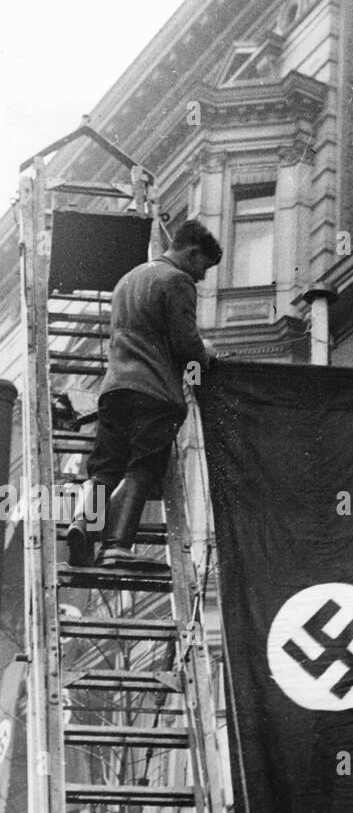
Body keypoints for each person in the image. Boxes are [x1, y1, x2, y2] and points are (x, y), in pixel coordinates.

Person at [67, 219, 223, 568]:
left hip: (115, 389)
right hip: (154, 393)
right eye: (203, 266)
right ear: (192, 252)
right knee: (143, 467)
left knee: (105, 467)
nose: (202, 276)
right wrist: (207, 355)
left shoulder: (128, 279)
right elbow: (187, 345)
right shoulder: (177, 281)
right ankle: (115, 546)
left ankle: (83, 524)